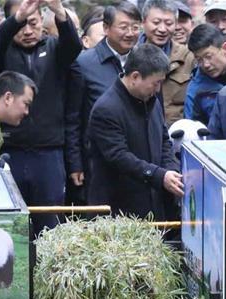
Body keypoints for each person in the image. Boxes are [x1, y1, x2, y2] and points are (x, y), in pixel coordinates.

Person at [0, 0, 81, 236]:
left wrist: (59, 10)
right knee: (12, 226)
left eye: (33, 22)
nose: (27, 31)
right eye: (21, 24)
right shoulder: (2, 52)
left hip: (48, 153)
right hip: (9, 150)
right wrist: (15, 19)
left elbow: (74, 46)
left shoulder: (57, 49)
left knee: (50, 227)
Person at [87, 44, 182, 220]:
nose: (158, 89)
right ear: (135, 77)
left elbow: (163, 141)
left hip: (155, 205)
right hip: (120, 212)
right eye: (156, 83)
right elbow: (119, 157)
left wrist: (171, 170)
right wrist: (158, 175)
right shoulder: (106, 109)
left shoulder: (151, 99)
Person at [65, 2, 141, 201]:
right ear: (106, 28)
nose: (130, 33)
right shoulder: (84, 64)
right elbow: (74, 117)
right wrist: (75, 163)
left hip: (139, 158)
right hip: (98, 159)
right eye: (124, 27)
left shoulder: (145, 60)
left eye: (135, 27)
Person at [139, 0, 194, 125]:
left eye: (169, 23)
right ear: (143, 22)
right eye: (156, 23)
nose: (162, 29)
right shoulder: (130, 54)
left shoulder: (188, 56)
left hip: (176, 132)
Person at [184, 23, 226, 123]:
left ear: (225, 48)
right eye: (199, 59)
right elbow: (191, 129)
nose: (205, 65)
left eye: (209, 56)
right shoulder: (195, 90)